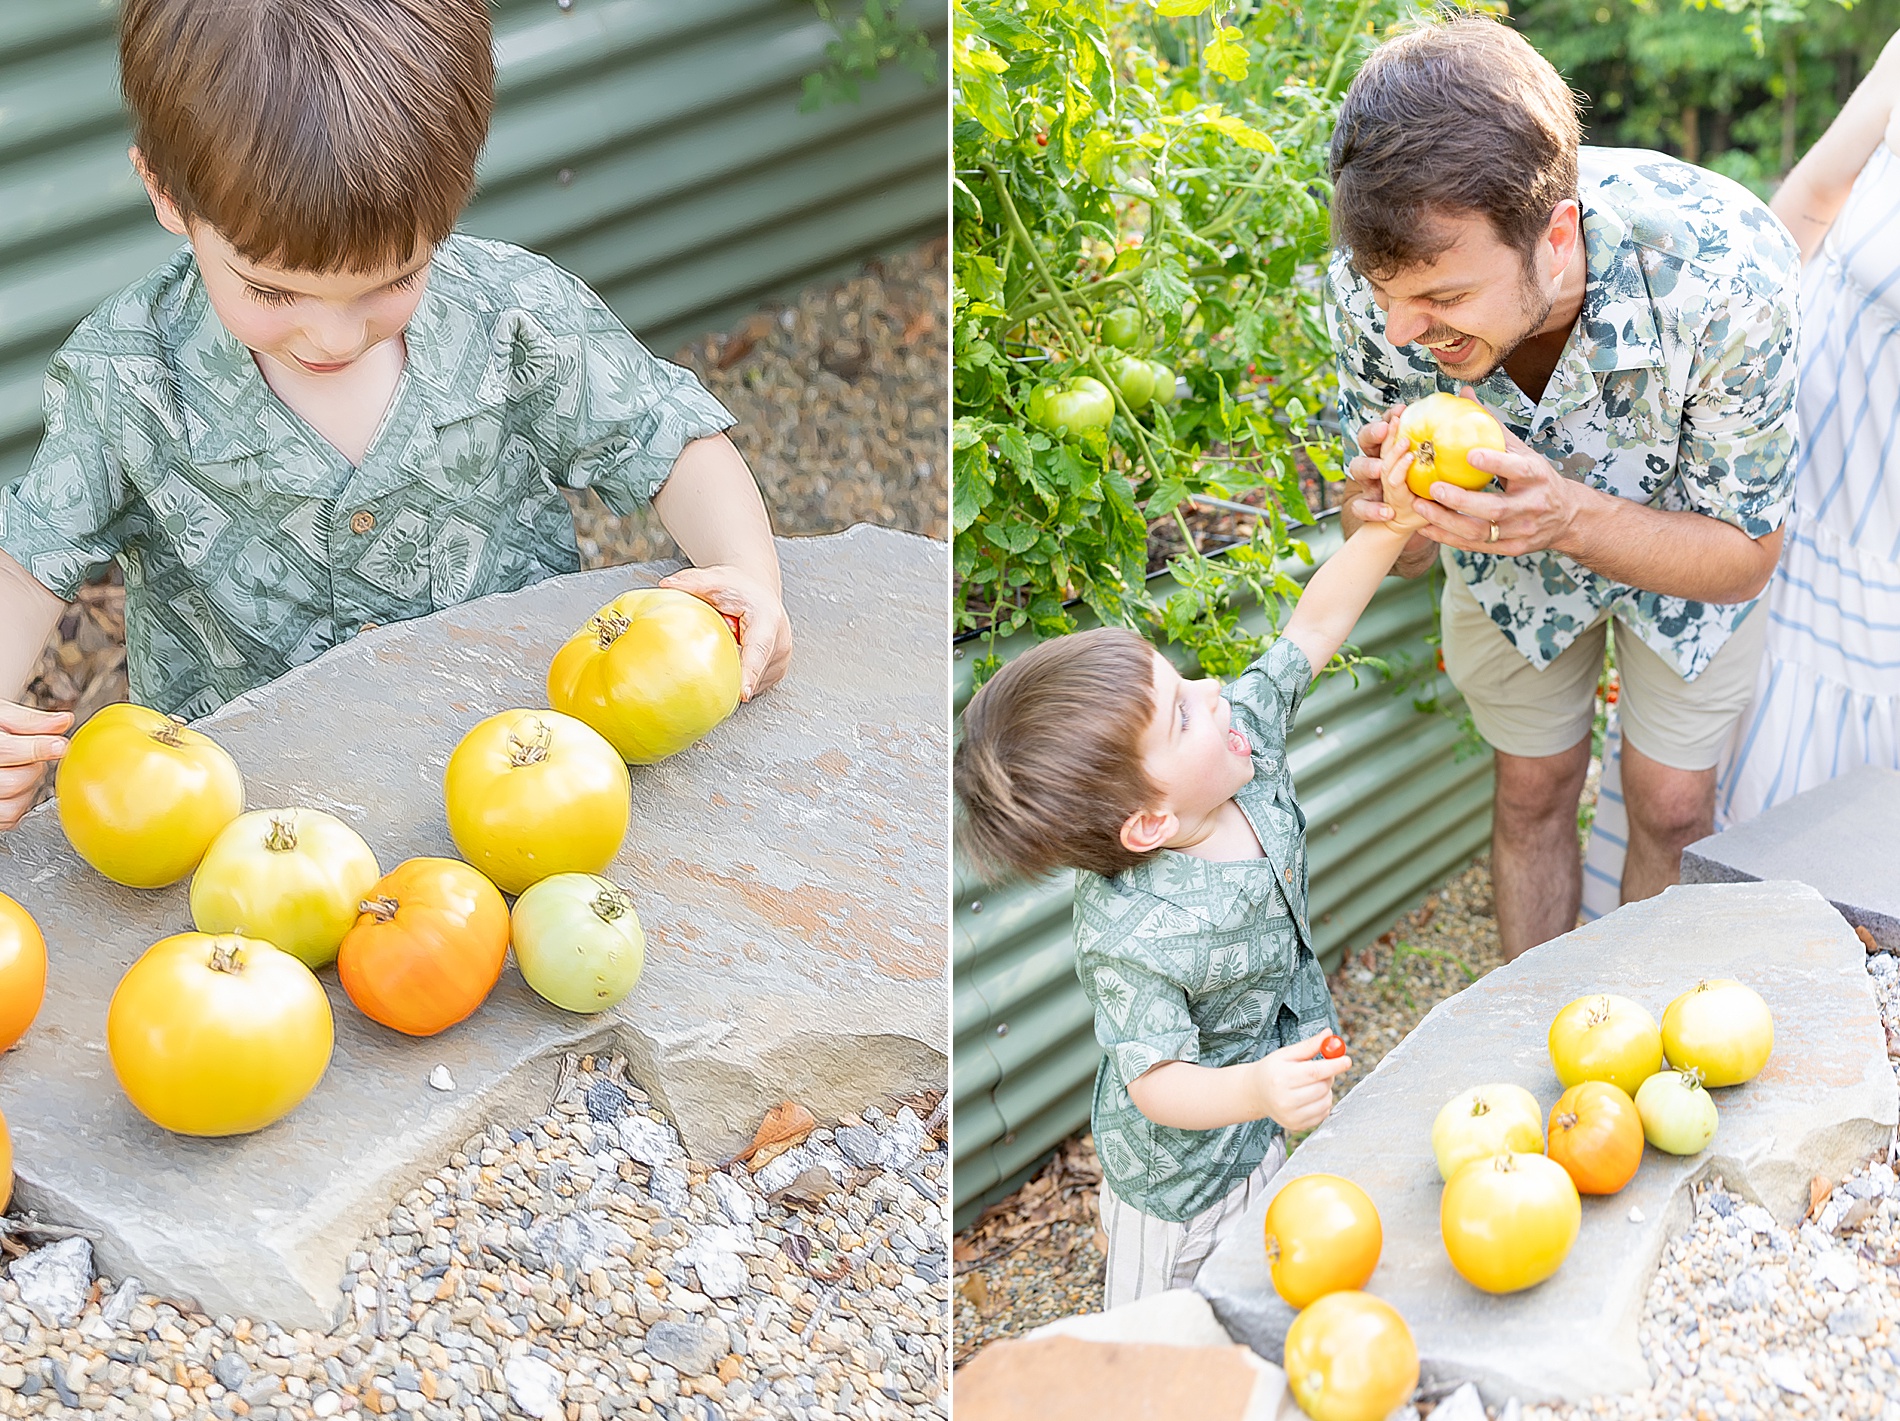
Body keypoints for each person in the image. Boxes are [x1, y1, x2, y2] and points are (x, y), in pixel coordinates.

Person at [0, 0, 793, 831]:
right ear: (165, 191)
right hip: (247, 817)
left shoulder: (511, 315)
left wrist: (749, 578)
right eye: (273, 291)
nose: (334, 333)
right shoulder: (128, 375)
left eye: (391, 280)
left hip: (526, 781)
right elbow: (26, 565)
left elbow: (672, 442)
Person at [1330, 18, 1798, 958]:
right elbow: (1397, 552)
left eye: (1447, 300)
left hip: (1690, 550)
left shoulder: (1730, 272)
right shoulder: (1376, 292)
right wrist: (1386, 509)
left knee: (1671, 806)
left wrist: (1565, 515)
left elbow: (1745, 556)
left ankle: (1644, 1042)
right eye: (1387, 295)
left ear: (1555, 232)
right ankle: (1530, 1033)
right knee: (1533, 786)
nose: (1405, 329)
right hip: (1511, 590)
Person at [953, 455, 1429, 1307]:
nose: (1215, 690)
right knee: (1159, 1320)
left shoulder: (1239, 742)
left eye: (1184, 680)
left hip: (1267, 1101)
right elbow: (1156, 1081)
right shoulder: (1132, 934)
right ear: (1149, 823)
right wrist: (1254, 1089)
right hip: (1179, 1176)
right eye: (1183, 711)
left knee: (1260, 1276)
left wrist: (1391, 526)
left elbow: (1311, 629)